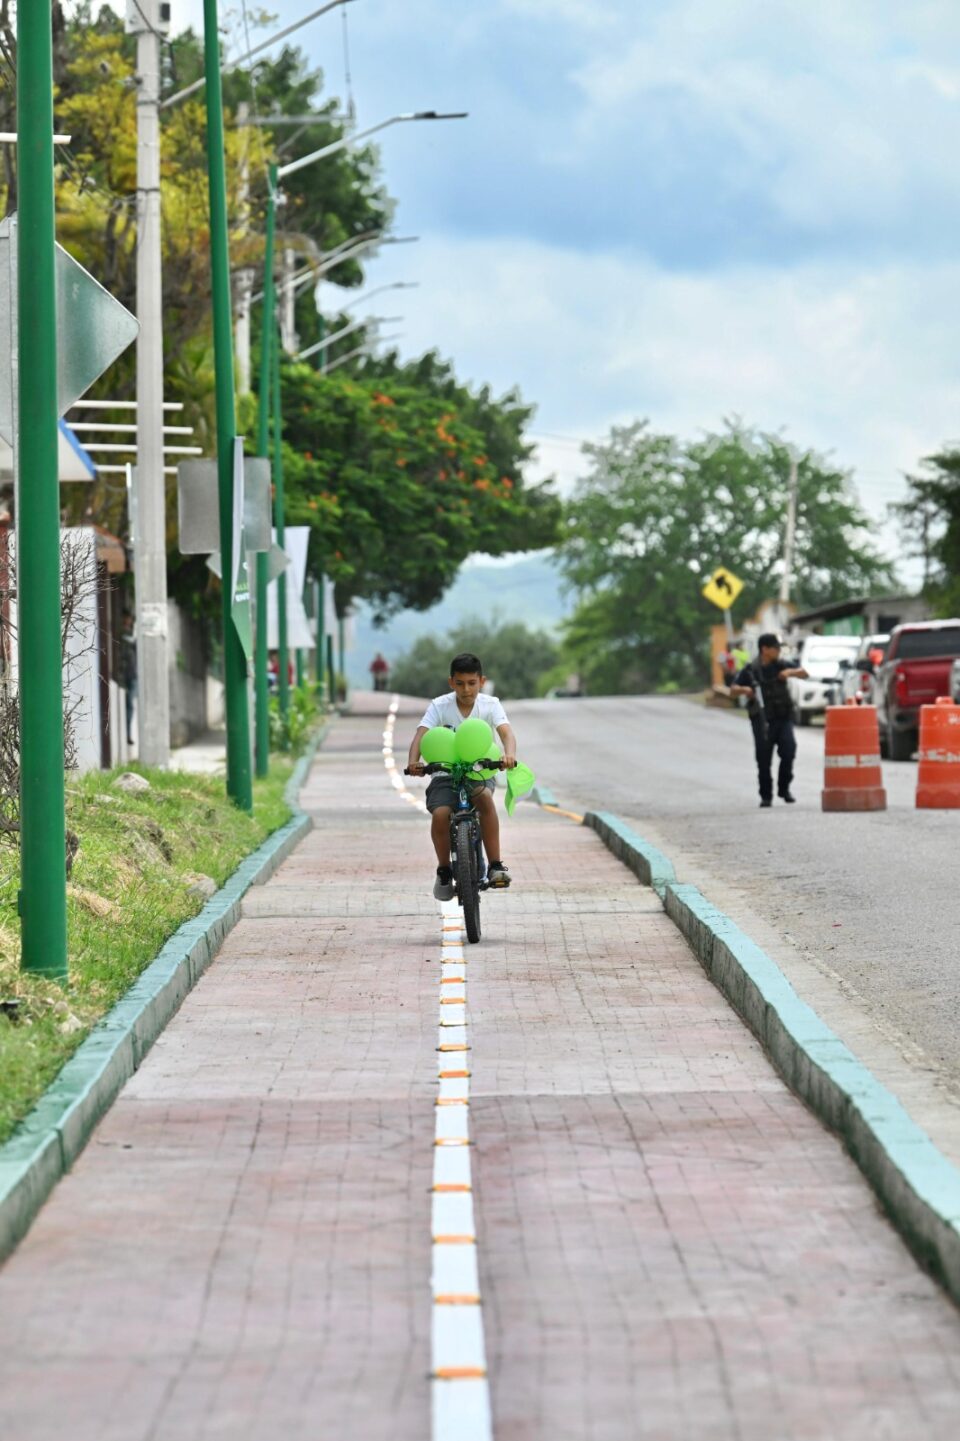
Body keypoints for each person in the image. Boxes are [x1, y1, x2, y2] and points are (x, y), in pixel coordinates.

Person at [407, 651, 518, 898]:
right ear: (451, 682)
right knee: (440, 814)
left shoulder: (491, 704)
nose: (466, 689)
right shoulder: (439, 705)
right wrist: (413, 762)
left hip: (479, 771)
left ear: (481, 681)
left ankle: (496, 865)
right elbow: (421, 735)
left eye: (471, 683)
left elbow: (506, 733)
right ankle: (444, 870)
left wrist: (508, 755)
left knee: (484, 798)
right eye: (459, 683)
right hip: (444, 773)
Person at [729, 633, 808, 808]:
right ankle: (766, 796)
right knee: (763, 759)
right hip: (762, 720)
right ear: (764, 649)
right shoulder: (751, 670)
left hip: (783, 717)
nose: (778, 651)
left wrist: (789, 672)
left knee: (789, 751)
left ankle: (784, 788)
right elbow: (732, 690)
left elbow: (804, 673)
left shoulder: (781, 665)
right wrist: (744, 690)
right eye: (776, 648)